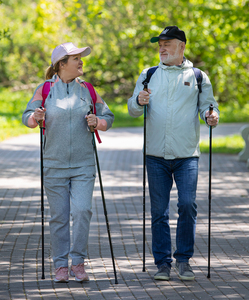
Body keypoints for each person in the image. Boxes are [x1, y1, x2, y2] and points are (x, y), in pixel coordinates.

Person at [128, 26, 219, 281]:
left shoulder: (198, 76)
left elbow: (208, 107)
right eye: (159, 44)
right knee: (159, 212)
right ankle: (162, 264)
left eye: (167, 43)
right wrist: (138, 101)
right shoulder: (148, 74)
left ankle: (184, 261)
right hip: (155, 155)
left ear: (181, 46)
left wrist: (212, 116)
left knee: (187, 205)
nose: (162, 48)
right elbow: (133, 108)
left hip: (187, 154)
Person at [22, 42, 114, 283]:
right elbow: (27, 117)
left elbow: (108, 116)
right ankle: (61, 265)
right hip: (54, 164)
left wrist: (98, 122)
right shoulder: (44, 90)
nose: (81, 61)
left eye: (81, 58)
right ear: (61, 64)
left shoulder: (88, 90)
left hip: (84, 164)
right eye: (76, 58)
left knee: (82, 211)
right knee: (59, 217)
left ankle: (78, 262)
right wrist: (35, 117)